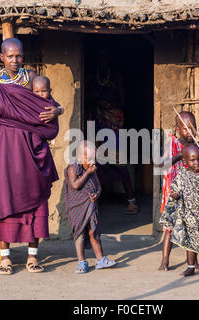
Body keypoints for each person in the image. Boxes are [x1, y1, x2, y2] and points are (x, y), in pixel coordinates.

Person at [0, 38, 62, 275]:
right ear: (1, 56)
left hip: (33, 151)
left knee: (36, 199)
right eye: (10, 56)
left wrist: (58, 110)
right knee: (4, 198)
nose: (15, 60)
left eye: (19, 56)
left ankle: (32, 257)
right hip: (3, 149)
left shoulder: (33, 79)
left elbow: (51, 104)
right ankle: (5, 259)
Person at [86, 49, 138, 214]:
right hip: (96, 122)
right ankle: (97, 198)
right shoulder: (92, 77)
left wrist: (109, 105)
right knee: (96, 161)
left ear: (110, 60)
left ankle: (131, 200)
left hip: (114, 123)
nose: (103, 61)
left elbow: (123, 102)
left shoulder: (115, 77)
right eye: (101, 57)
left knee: (118, 160)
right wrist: (98, 101)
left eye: (106, 58)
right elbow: (87, 98)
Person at [64, 141, 117, 273]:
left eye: (94, 158)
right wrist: (87, 173)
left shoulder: (92, 168)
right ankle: (81, 262)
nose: (93, 161)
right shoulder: (73, 168)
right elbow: (75, 185)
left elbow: (98, 186)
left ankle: (100, 259)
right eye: (90, 158)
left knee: (94, 231)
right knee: (80, 234)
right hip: (77, 208)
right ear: (81, 156)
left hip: (91, 206)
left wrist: (97, 194)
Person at [160, 145, 199, 278]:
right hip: (188, 216)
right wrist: (175, 195)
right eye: (193, 160)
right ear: (185, 162)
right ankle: (190, 268)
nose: (197, 163)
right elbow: (175, 190)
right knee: (189, 244)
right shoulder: (182, 175)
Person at [157, 111, 198, 272]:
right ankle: (165, 261)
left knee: (193, 227)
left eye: (193, 128)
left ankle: (193, 262)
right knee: (170, 227)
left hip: (191, 194)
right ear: (177, 129)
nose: (190, 132)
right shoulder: (171, 143)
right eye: (186, 129)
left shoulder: (196, 145)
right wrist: (179, 156)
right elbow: (161, 165)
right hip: (174, 193)